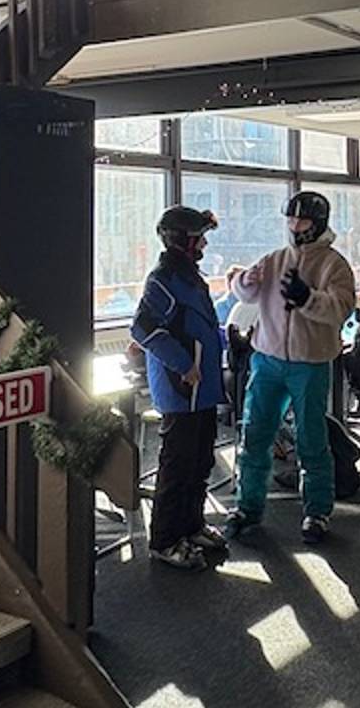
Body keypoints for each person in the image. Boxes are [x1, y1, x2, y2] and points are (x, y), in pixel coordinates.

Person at [227, 191, 356, 546]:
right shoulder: (275, 259)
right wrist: (244, 282)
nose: (295, 226)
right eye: (291, 219)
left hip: (310, 364)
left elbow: (341, 308)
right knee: (255, 435)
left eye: (302, 220)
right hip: (267, 360)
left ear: (318, 224)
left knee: (311, 439)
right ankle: (247, 507)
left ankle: (317, 511)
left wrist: (308, 298)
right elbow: (245, 293)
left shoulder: (334, 265)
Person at [130, 206, 230, 571]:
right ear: (182, 241)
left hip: (201, 389)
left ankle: (192, 526)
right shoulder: (162, 280)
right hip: (181, 389)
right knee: (177, 466)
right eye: (199, 238)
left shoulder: (188, 276)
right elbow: (142, 328)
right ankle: (165, 540)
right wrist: (184, 364)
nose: (204, 244)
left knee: (200, 461)